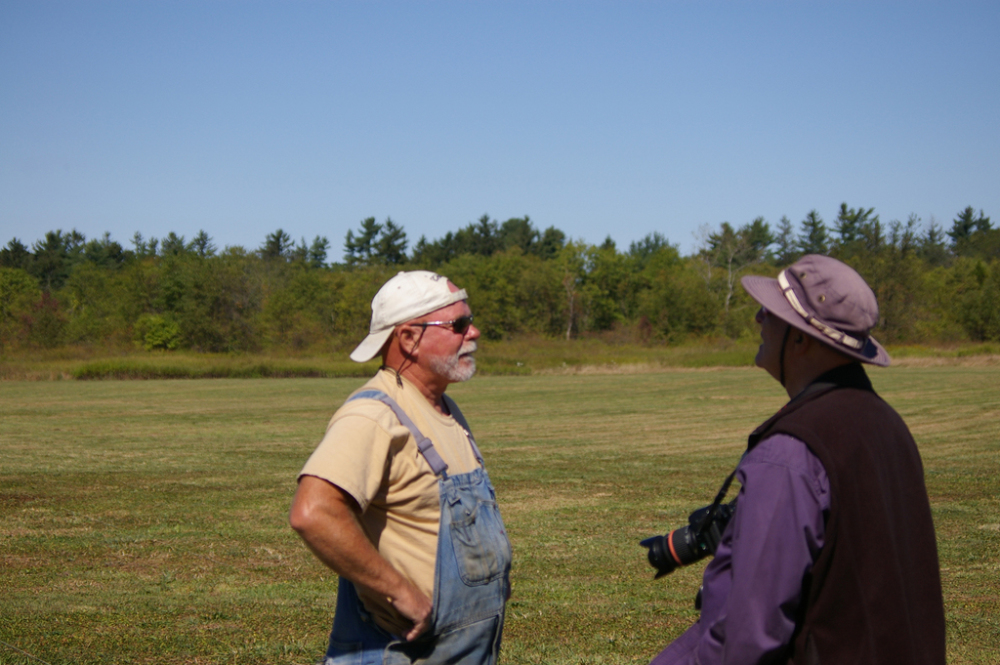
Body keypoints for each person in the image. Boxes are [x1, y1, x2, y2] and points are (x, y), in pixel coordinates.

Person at [650, 255, 945, 665]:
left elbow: (748, 639)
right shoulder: (888, 425)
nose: (757, 318)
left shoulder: (790, 453)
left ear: (801, 338)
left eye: (771, 312)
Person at [290, 270, 511, 665]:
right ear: (409, 337)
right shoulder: (374, 414)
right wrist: (399, 592)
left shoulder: (442, 407)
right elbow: (313, 511)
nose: (474, 333)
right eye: (459, 324)